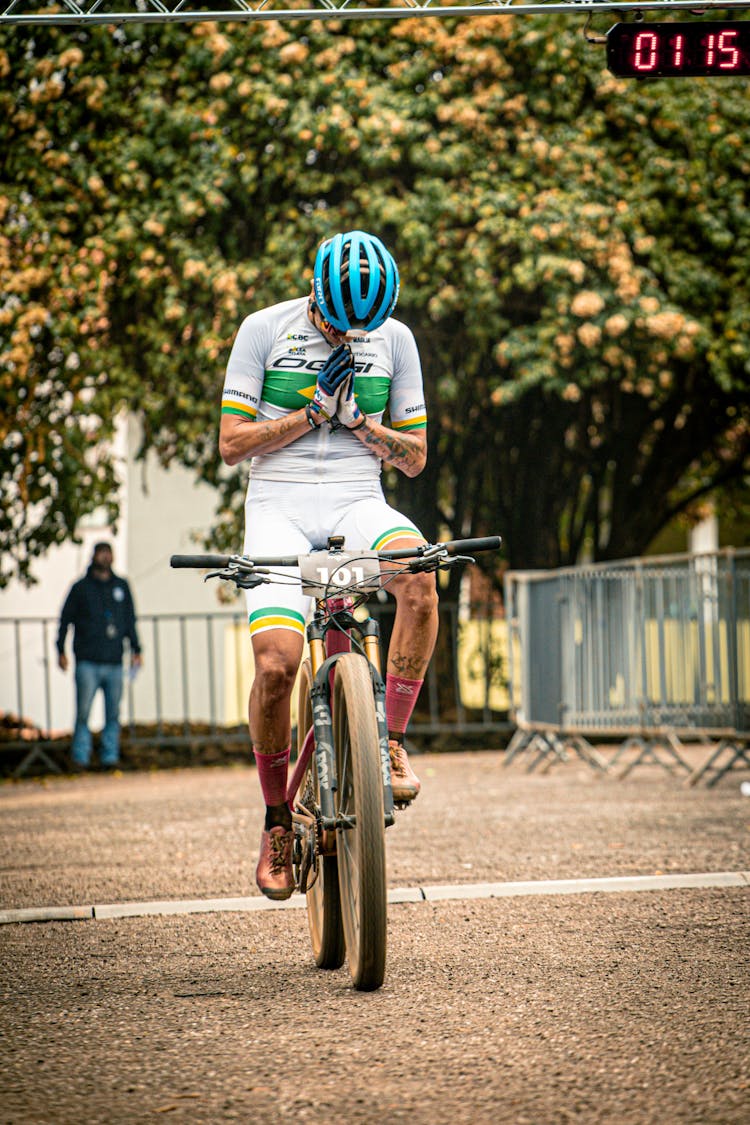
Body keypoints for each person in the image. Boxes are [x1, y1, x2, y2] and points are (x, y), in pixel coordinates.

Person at [220, 229, 439, 900]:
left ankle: (391, 741)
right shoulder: (263, 330)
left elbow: (415, 456)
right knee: (277, 665)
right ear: (314, 292)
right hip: (277, 507)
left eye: (360, 327)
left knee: (422, 580)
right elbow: (232, 445)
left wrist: (361, 425)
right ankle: (277, 817)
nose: (348, 336)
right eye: (336, 322)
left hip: (355, 501)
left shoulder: (394, 341)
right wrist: (308, 411)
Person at [56, 542, 143, 770]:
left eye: (108, 553)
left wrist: (137, 649)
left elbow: (129, 621)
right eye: (101, 553)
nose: (105, 557)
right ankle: (80, 757)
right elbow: (65, 620)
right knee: (83, 713)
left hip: (114, 660)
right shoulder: (81, 588)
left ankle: (109, 758)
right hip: (87, 660)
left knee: (113, 713)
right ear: (93, 556)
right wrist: (60, 649)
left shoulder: (121, 586)